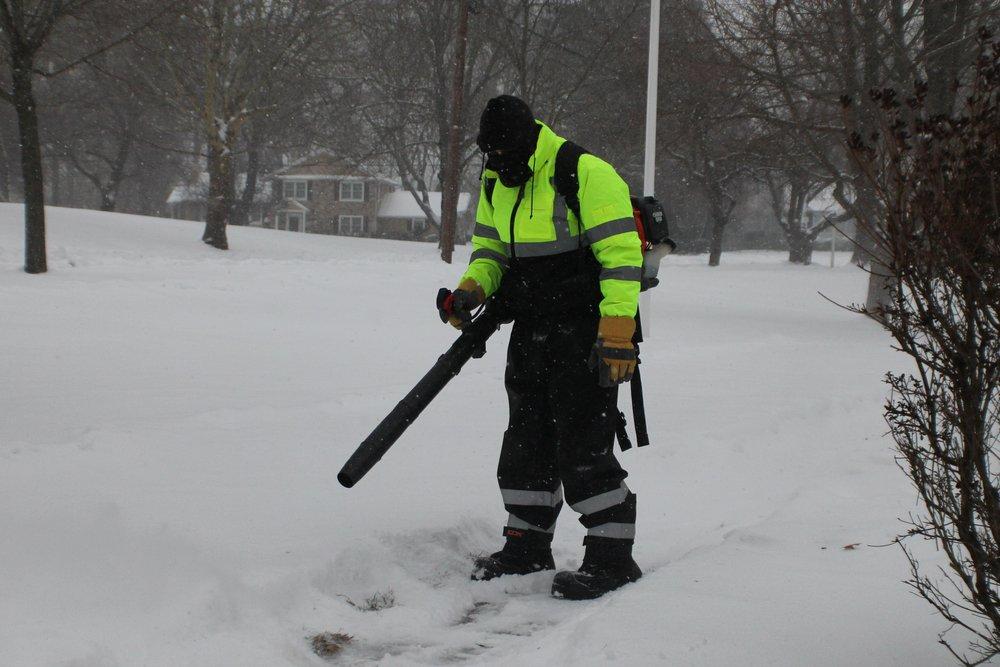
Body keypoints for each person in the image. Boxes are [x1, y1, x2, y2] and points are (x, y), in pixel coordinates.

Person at [438, 95, 644, 600]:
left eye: (506, 152)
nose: (498, 162)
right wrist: (471, 290)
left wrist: (618, 329)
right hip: (530, 323)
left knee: (582, 440)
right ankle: (526, 546)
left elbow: (621, 256)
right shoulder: (495, 179)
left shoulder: (583, 171)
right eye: (490, 153)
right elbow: (491, 250)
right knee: (526, 437)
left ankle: (611, 558)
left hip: (586, 326)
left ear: (529, 138)